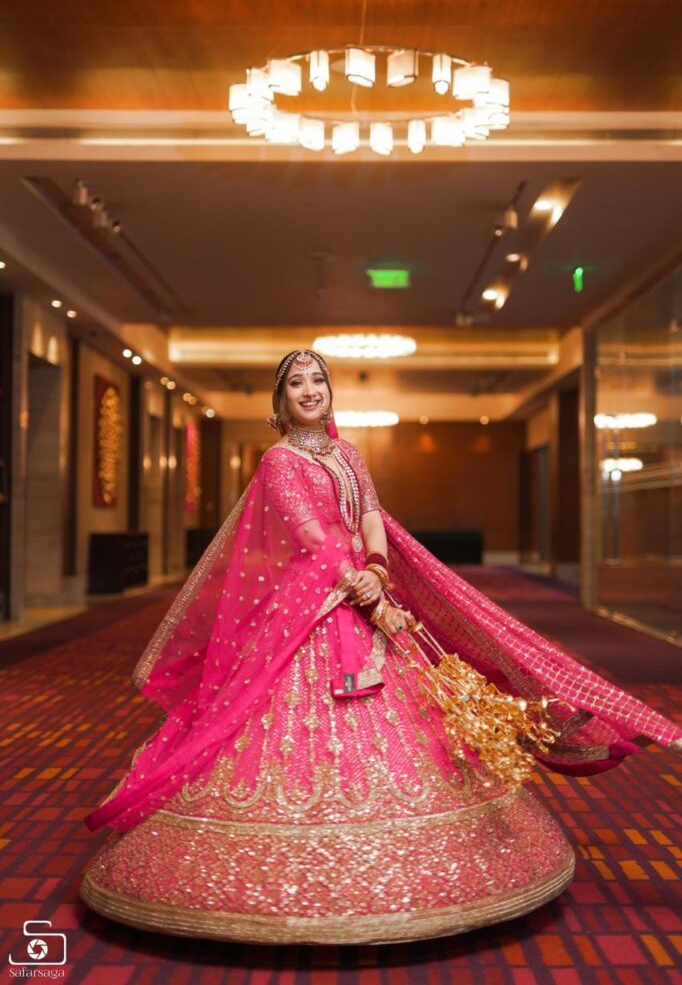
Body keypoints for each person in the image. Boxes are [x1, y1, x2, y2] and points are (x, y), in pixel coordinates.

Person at [80, 348, 681, 946]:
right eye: (297, 383)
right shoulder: (278, 461)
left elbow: (370, 513)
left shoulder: (347, 453)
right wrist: (360, 589)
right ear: (281, 398)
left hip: (362, 584)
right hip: (309, 605)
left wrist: (377, 567)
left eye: (319, 379)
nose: (310, 390)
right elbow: (309, 534)